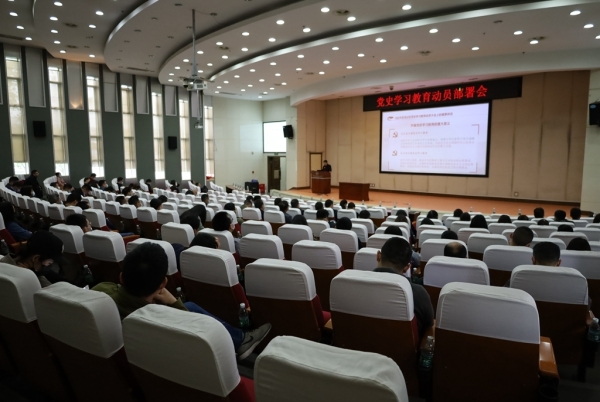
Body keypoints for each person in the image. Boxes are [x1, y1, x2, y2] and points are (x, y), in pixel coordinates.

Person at [92, 242, 271, 360]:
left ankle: (240, 339)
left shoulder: (101, 290)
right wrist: (173, 302)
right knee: (189, 307)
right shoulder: (157, 320)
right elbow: (191, 326)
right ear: (163, 284)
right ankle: (241, 339)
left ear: (121, 277)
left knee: (190, 305)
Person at [374, 237, 434, 338]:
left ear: (378, 256)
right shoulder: (418, 294)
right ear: (407, 267)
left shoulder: (353, 284)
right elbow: (428, 329)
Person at [1, 230, 67, 288]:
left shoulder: (4, 262)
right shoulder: (28, 280)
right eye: (49, 263)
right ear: (36, 258)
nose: (49, 266)